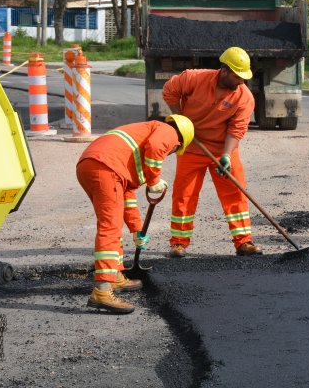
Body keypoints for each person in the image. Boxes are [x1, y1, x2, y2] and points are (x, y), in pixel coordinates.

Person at [77, 115, 194, 314]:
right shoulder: (168, 131)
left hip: (92, 165)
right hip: (105, 168)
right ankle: (102, 291)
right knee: (110, 227)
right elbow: (157, 146)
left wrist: (136, 229)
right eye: (174, 150)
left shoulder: (137, 142)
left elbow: (127, 196)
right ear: (179, 142)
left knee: (111, 222)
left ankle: (115, 275)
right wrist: (154, 180)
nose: (170, 153)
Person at [163, 46, 259, 258]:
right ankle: (178, 243)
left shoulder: (244, 97)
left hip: (222, 150)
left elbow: (237, 129)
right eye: (237, 76)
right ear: (224, 70)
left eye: (244, 77)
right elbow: (169, 90)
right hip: (191, 147)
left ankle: (243, 242)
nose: (241, 81)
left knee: (235, 193)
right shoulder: (194, 78)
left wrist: (226, 155)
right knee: (184, 195)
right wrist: (181, 122)